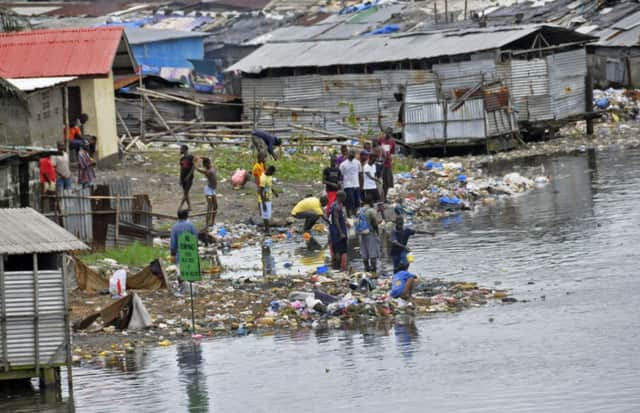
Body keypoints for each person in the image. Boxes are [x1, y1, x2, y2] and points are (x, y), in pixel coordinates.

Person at [170, 209, 198, 293]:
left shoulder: (174, 227)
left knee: (181, 273)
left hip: (180, 253)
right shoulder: (191, 226)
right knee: (191, 272)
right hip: (191, 253)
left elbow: (173, 243)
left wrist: (173, 254)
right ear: (187, 216)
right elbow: (195, 239)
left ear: (178, 216)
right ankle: (191, 290)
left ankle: (183, 290)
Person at [357, 195, 380, 274]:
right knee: (373, 253)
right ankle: (374, 272)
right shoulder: (371, 210)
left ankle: (366, 270)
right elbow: (374, 223)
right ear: (371, 202)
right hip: (370, 233)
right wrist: (377, 232)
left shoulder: (359, 210)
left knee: (364, 253)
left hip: (362, 234)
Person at [329, 190, 348, 271]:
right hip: (338, 232)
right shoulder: (336, 206)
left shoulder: (336, 204)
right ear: (340, 197)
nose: (345, 198)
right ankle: (339, 267)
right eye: (344, 197)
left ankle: (336, 267)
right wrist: (341, 233)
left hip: (335, 231)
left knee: (337, 249)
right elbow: (336, 221)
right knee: (340, 250)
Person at [339, 150, 362, 217]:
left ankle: (355, 214)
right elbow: (340, 175)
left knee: (356, 201)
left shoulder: (357, 163)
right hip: (348, 185)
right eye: (350, 155)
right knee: (349, 201)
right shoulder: (343, 164)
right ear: (347, 154)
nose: (351, 156)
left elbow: (360, 174)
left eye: (353, 155)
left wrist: (361, 185)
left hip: (356, 184)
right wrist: (340, 185)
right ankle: (349, 215)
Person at [197, 157, 217, 229]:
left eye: (209, 163)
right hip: (208, 190)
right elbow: (198, 169)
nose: (209, 164)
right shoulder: (207, 171)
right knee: (210, 206)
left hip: (213, 189)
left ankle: (212, 222)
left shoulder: (211, 168)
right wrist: (195, 164)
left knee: (215, 206)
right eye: (207, 163)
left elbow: (207, 159)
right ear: (205, 165)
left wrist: (201, 157)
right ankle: (207, 223)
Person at [378, 127, 397, 202]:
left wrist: (392, 160)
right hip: (380, 163)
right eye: (387, 133)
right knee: (381, 181)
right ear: (385, 132)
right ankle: (381, 197)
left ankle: (387, 197)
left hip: (388, 163)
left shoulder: (392, 142)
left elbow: (392, 153)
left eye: (390, 134)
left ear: (391, 134)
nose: (388, 135)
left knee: (388, 180)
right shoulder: (381, 139)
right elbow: (377, 147)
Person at [259, 165, 277, 234]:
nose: (272, 174)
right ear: (269, 171)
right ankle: (267, 230)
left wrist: (274, 192)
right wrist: (263, 203)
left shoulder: (269, 176)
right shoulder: (263, 178)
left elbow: (269, 186)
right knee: (265, 215)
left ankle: (267, 228)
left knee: (267, 214)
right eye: (272, 173)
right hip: (264, 199)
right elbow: (260, 191)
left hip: (269, 197)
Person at [178, 145, 195, 211]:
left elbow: (193, 167)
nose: (180, 150)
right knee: (186, 193)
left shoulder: (191, 157)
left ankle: (180, 207)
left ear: (185, 149)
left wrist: (188, 176)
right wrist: (180, 179)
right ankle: (189, 207)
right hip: (183, 178)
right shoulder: (182, 159)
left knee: (185, 193)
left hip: (189, 178)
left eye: (181, 149)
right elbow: (181, 169)